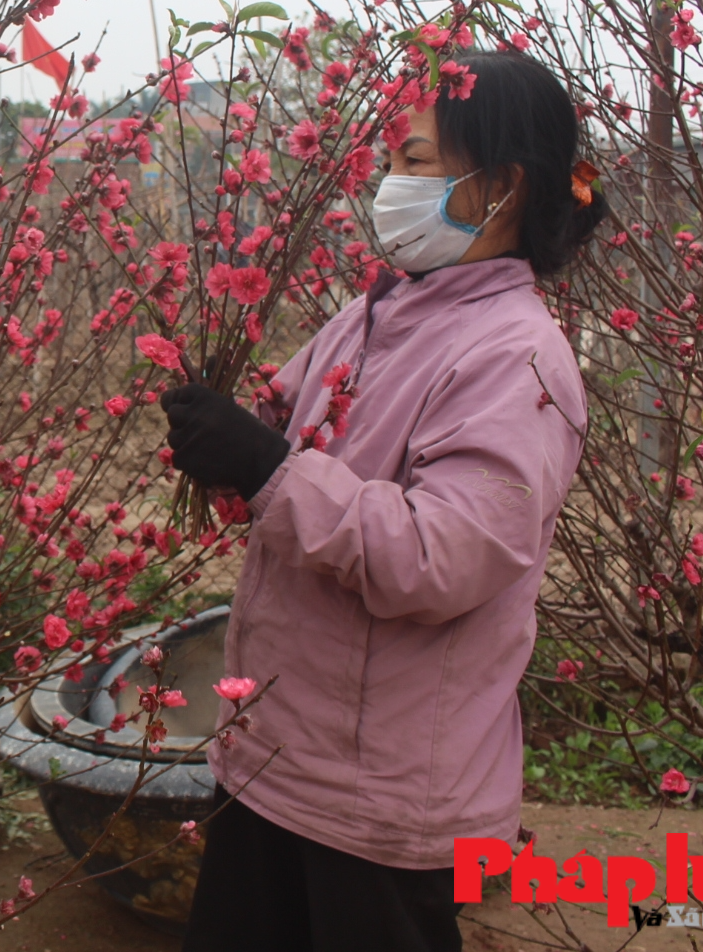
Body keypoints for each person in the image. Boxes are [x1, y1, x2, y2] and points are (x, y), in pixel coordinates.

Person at [166, 53, 605, 952]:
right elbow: (304, 432)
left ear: (500, 188)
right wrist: (240, 441)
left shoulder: (516, 360)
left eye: (414, 162)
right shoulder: (381, 311)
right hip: (279, 756)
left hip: (382, 805)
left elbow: (436, 558)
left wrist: (267, 469)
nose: (388, 185)